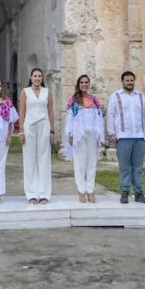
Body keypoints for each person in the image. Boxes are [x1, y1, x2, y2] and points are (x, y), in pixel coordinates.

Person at [107, 71, 145, 204]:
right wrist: (112, 134)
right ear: (122, 82)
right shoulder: (116, 96)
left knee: (138, 167)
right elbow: (111, 115)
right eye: (127, 80)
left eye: (132, 80)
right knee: (124, 166)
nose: (129, 82)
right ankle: (125, 192)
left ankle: (139, 193)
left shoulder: (140, 96)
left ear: (134, 81)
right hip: (123, 137)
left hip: (139, 136)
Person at [62, 74, 104, 203]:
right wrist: (70, 134)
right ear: (78, 84)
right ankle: (81, 190)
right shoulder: (74, 100)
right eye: (82, 82)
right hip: (78, 134)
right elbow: (70, 118)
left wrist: (99, 135)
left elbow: (99, 117)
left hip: (91, 133)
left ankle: (90, 190)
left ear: (89, 84)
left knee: (91, 161)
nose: (84, 84)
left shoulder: (94, 99)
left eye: (86, 82)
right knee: (80, 162)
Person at [18, 67, 55, 204]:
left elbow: (51, 112)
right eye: (35, 76)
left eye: (40, 76)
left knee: (44, 159)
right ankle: (32, 194)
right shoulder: (25, 92)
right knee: (29, 160)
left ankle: (44, 194)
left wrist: (52, 131)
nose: (37, 78)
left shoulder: (47, 92)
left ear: (42, 78)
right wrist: (21, 130)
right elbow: (22, 112)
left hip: (44, 125)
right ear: (31, 77)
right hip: (29, 126)